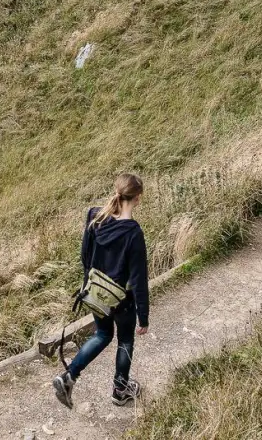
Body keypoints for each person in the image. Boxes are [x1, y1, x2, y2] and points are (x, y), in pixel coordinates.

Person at [53, 173, 150, 410]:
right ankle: (120, 390)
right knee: (125, 340)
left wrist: (90, 283)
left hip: (96, 292)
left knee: (102, 334)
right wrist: (144, 317)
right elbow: (138, 279)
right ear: (138, 198)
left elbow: (85, 257)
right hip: (122, 300)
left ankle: (69, 376)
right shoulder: (133, 233)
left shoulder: (95, 217)